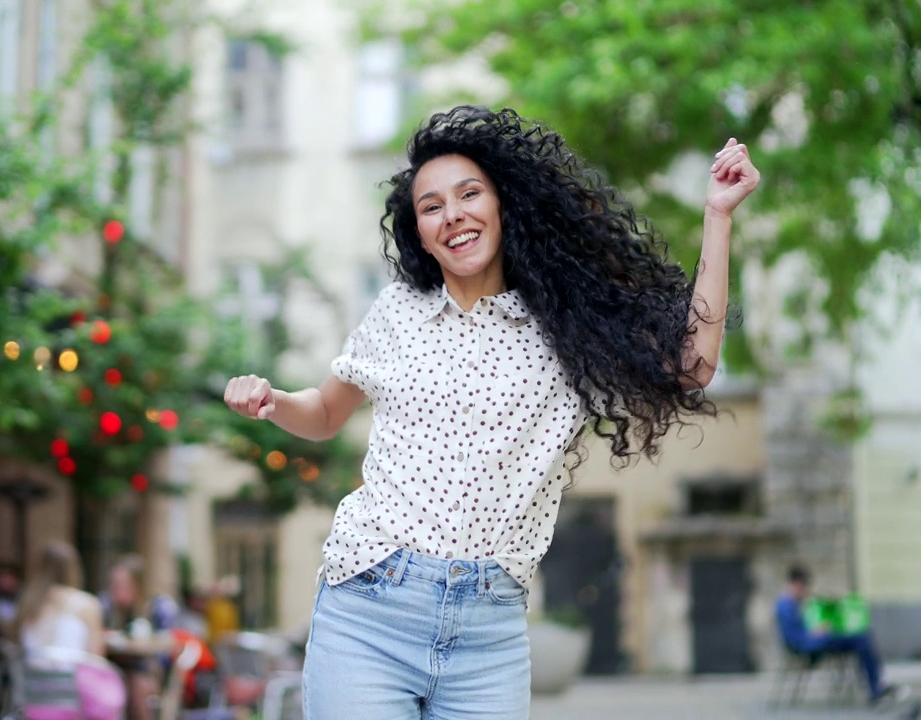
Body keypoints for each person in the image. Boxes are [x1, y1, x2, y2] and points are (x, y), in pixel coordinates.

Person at [223, 105, 759, 719]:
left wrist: (717, 217)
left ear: (504, 205)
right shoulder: (398, 313)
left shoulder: (569, 328)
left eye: (469, 194)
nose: (453, 214)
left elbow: (693, 365)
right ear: (419, 232)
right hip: (370, 608)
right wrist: (272, 401)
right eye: (431, 206)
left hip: (489, 630)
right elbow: (322, 412)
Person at [775, 565, 902, 705]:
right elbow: (797, 637)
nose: (806, 593)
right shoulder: (786, 605)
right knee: (861, 639)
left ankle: (875, 685)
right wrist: (817, 632)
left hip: (814, 641)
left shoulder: (791, 603)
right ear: (798, 585)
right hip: (811, 644)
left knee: (861, 637)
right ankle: (875, 687)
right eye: (805, 588)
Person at [98, 555, 178, 720]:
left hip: (146, 670)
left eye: (123, 585)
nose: (116, 591)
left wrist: (137, 644)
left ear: (138, 586)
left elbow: (167, 643)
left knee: (137, 684)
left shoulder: (158, 607)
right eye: (114, 585)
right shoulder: (105, 606)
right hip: (111, 667)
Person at [18, 541, 106, 657]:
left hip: (29, 674)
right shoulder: (86, 603)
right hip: (72, 673)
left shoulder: (28, 603)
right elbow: (96, 655)